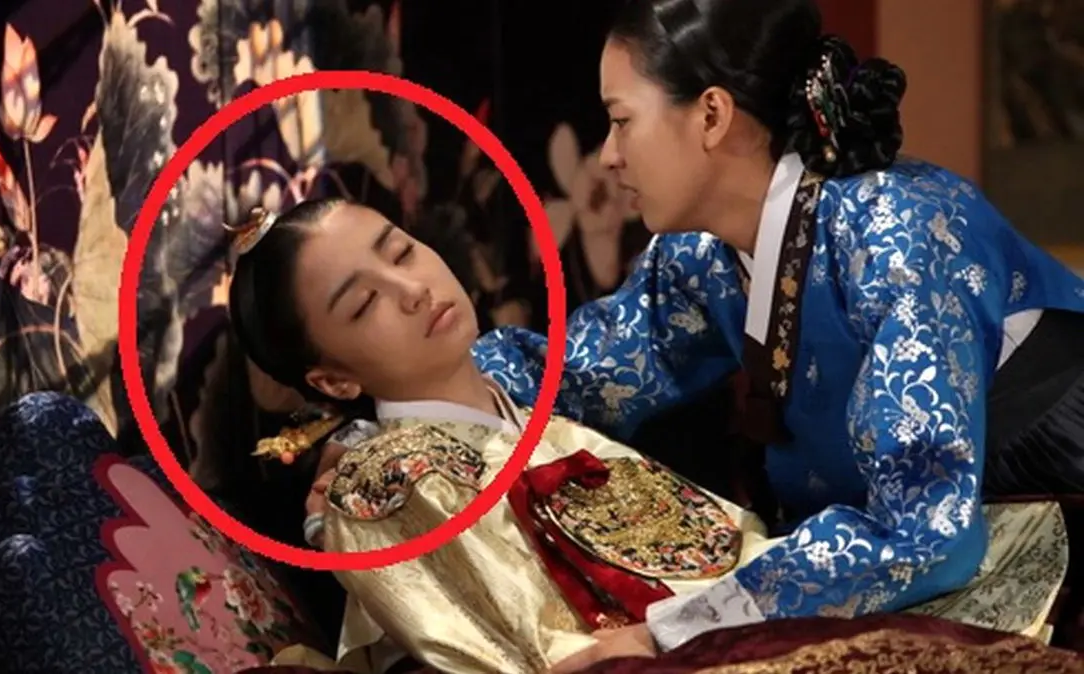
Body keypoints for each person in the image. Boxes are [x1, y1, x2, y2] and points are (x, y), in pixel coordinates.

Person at [462, 0, 1084, 669]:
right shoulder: (699, 253)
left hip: (1034, 514)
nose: (608, 157)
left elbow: (928, 529)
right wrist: (425, 386)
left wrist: (685, 624)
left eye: (621, 121)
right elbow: (585, 373)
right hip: (875, 549)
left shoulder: (896, 233)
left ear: (711, 115)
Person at [226, 199, 1067, 673]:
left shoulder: (521, 399)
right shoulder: (388, 480)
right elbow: (533, 656)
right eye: (364, 302)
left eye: (401, 250)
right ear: (333, 380)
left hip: (746, 607)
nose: (411, 287)